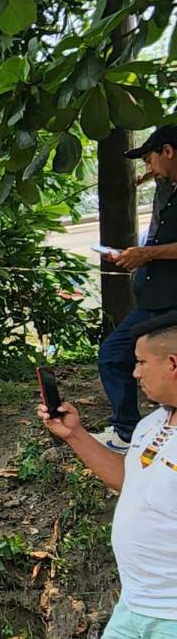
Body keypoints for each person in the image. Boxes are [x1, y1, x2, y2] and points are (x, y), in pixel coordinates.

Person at [40, 311, 177, 639]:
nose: (134, 373)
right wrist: (75, 435)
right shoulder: (153, 422)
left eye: (141, 362)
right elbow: (129, 481)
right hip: (134, 607)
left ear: (173, 363)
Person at [97, 124, 177, 451]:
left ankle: (165, 436)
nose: (148, 169)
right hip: (153, 299)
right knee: (114, 355)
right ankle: (128, 430)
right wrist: (138, 257)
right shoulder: (166, 191)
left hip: (172, 302)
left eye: (149, 160)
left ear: (168, 151)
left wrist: (148, 253)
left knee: (165, 367)